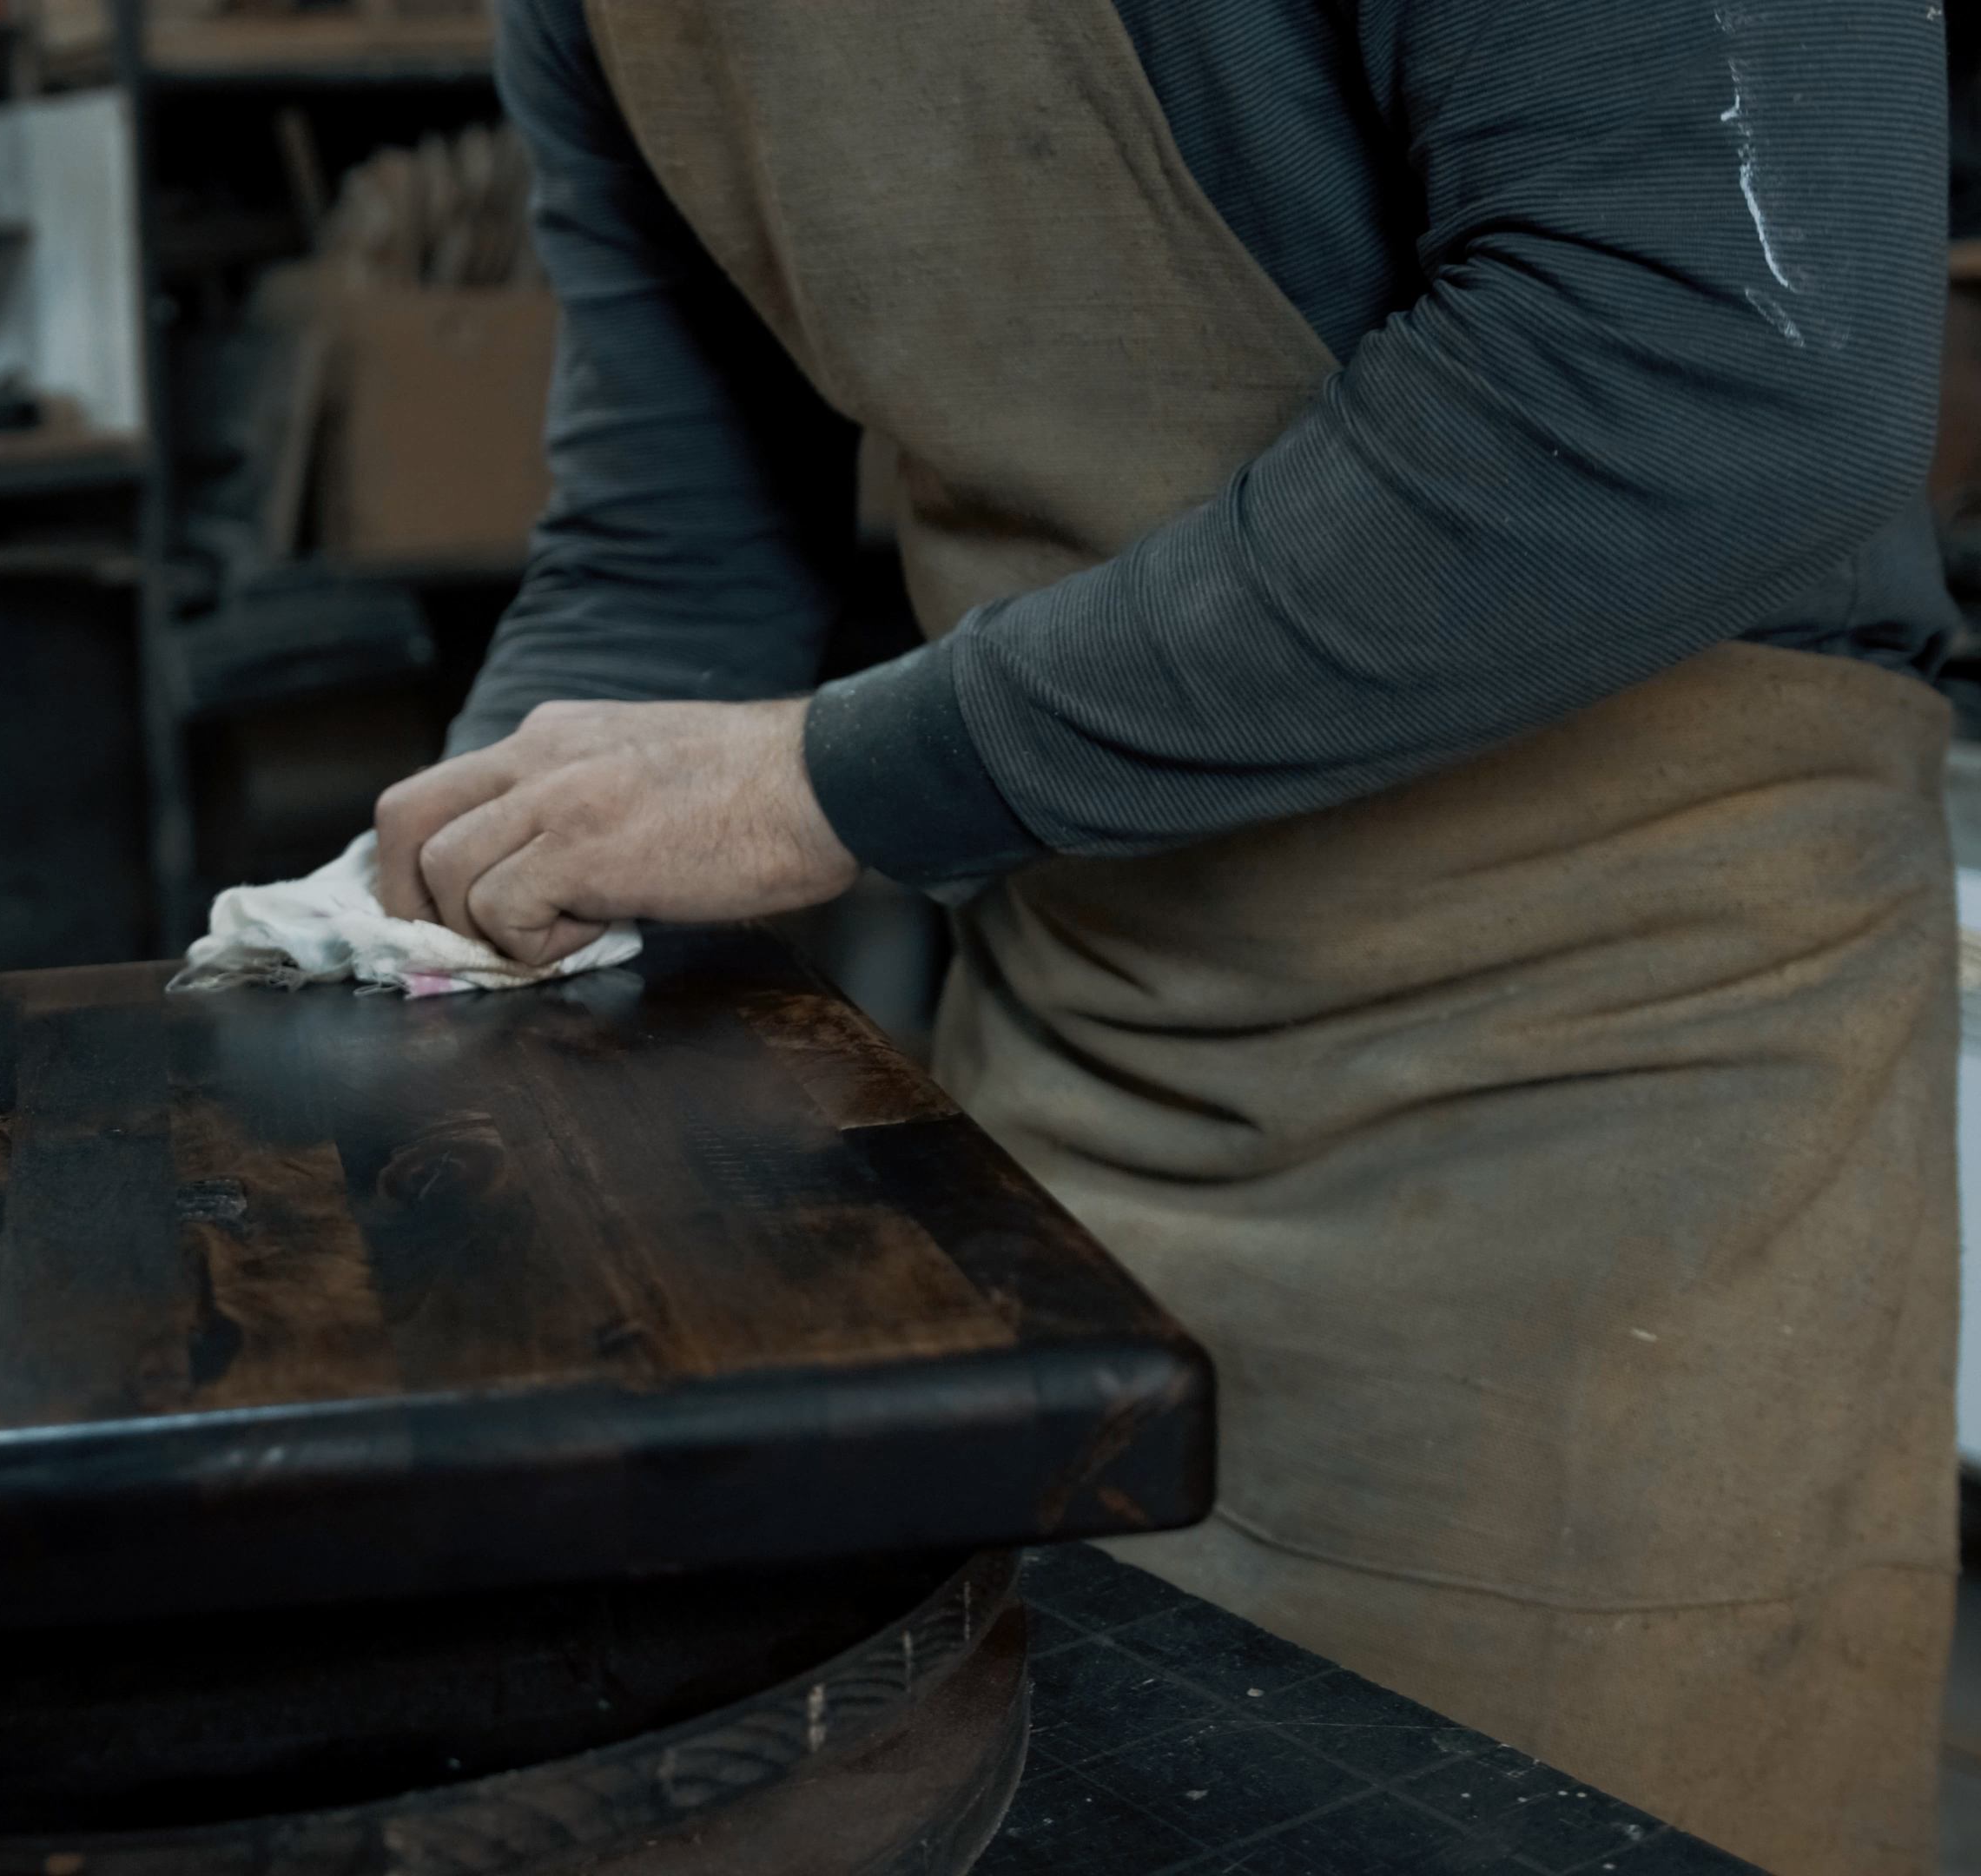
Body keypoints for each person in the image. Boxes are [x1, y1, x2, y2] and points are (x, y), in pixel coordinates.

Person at [372, 4, 1961, 1871]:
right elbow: (676, 551)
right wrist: (433, 932)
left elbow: (1701, 362)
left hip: (1610, 1093)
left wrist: (835, 782)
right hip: (1062, 1109)